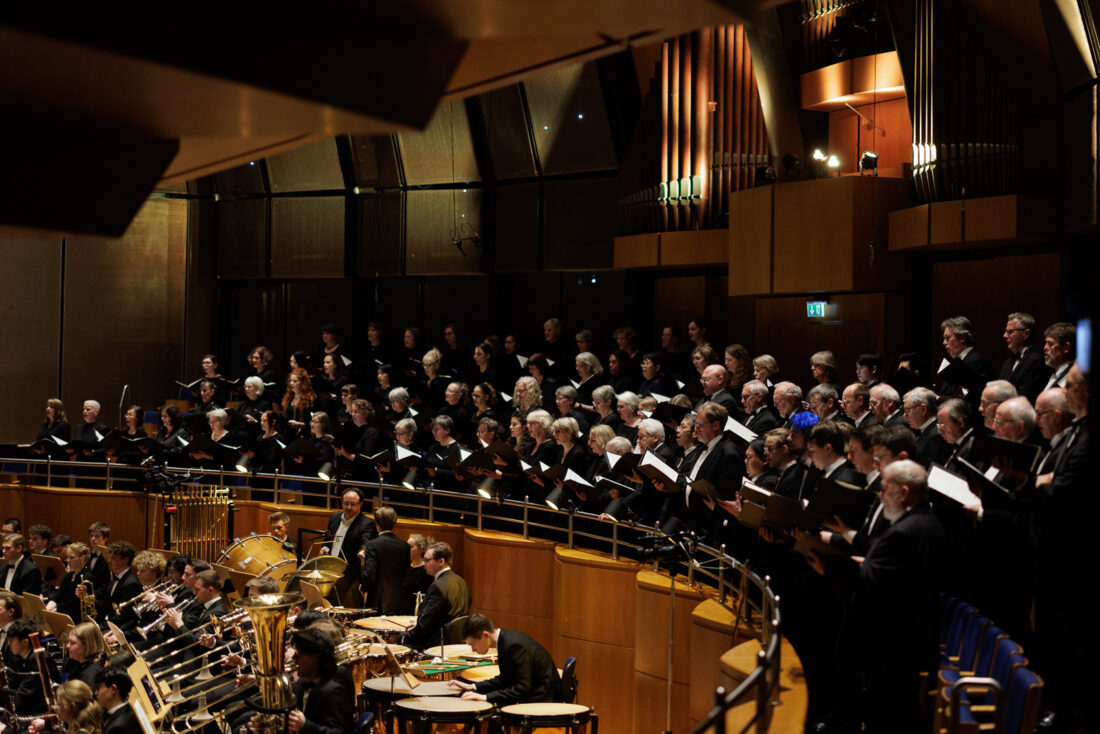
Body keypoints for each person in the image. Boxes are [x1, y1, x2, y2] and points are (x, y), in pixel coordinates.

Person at [807, 460, 946, 734]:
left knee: (890, 715)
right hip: (903, 637)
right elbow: (886, 563)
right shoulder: (920, 522)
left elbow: (875, 583)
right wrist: (859, 553)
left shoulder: (908, 531)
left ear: (904, 493)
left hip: (895, 641)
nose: (880, 495)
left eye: (884, 489)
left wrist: (831, 568)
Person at [449, 613, 561, 705]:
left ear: (485, 635)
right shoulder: (505, 640)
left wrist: (484, 697)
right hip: (534, 690)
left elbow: (520, 688)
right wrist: (473, 687)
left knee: (487, 709)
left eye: (473, 644)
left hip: (542, 697)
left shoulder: (513, 646)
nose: (473, 650)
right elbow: (504, 679)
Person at [402, 542, 470, 650]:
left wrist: (406, 637)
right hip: (457, 641)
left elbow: (425, 625)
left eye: (427, 560)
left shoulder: (437, 587)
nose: (424, 564)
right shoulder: (461, 582)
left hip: (437, 643)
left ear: (441, 561)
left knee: (401, 639)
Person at [322, 490, 377, 607]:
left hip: (349, 576)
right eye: (346, 503)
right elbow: (327, 539)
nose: (348, 507)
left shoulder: (366, 524)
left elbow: (366, 543)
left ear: (361, 504)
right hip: (330, 571)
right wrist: (324, 547)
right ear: (341, 501)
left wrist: (362, 551)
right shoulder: (335, 517)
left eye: (353, 504)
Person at [359, 506, 412, 614]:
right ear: (394, 523)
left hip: (378, 600)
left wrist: (363, 587)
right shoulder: (405, 545)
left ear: (376, 523)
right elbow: (407, 573)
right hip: (399, 599)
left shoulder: (373, 544)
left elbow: (370, 573)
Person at [998, 312, 1049, 402]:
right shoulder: (1008, 362)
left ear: (1026, 333)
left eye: (1010, 332)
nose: (1005, 335)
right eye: (1006, 331)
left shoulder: (1037, 360)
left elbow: (1026, 395)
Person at [95, 664, 137, 734]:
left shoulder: (117, 728)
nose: (96, 693)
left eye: (98, 688)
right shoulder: (128, 709)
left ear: (113, 689)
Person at [63, 622, 107, 688]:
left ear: (87, 645)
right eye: (68, 642)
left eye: (72, 643)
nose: (67, 646)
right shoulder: (78, 663)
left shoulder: (89, 677)